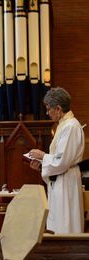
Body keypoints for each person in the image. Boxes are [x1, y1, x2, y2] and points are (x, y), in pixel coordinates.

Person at [29, 87, 85, 234]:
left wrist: (42, 156)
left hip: (67, 182)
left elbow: (62, 161)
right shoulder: (63, 125)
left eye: (49, 109)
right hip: (60, 180)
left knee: (66, 225)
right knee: (57, 224)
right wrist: (42, 166)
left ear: (58, 108)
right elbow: (59, 158)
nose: (47, 113)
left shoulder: (71, 126)